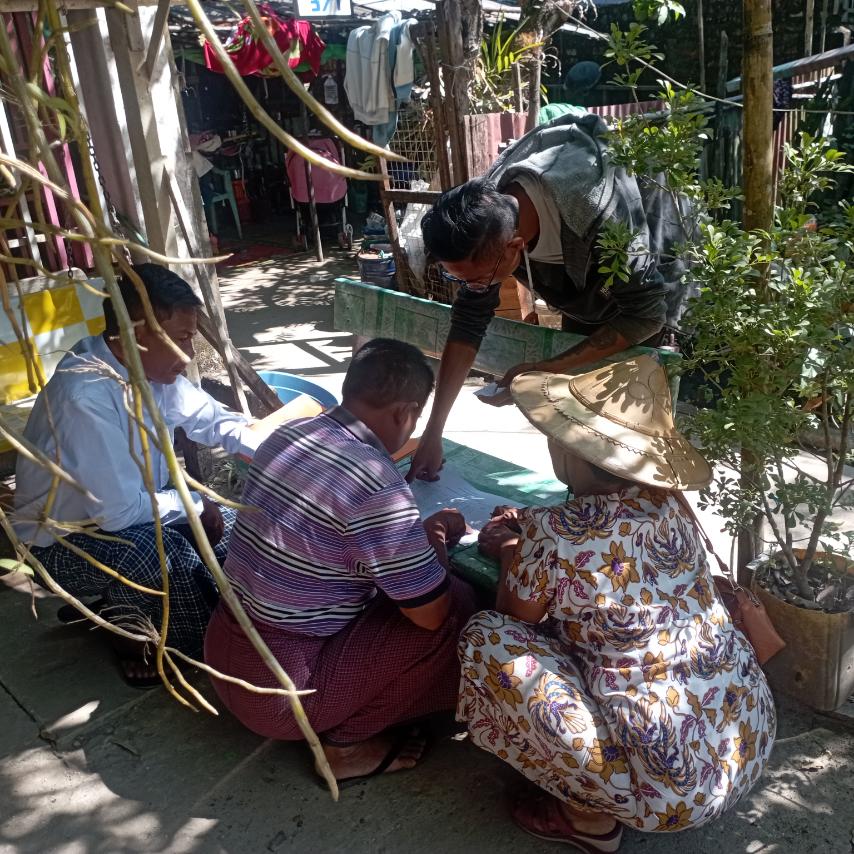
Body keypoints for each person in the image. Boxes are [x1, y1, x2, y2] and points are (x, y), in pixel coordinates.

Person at [457, 355, 776, 850]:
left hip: (670, 796)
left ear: (572, 448)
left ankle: (587, 819)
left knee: (487, 639)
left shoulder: (555, 532)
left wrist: (512, 551)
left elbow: (516, 619)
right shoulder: (671, 504)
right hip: (748, 741)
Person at [204, 338, 477, 786]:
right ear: (405, 413)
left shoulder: (287, 434)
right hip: (281, 695)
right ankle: (344, 748)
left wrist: (415, 539)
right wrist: (435, 540)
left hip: (221, 656)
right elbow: (431, 615)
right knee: (456, 607)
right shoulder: (377, 484)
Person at [14, 264, 278, 685]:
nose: (189, 355)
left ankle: (122, 607)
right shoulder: (86, 394)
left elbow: (215, 421)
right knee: (164, 558)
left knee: (241, 524)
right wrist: (194, 504)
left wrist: (286, 453)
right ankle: (134, 635)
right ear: (134, 334)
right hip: (63, 542)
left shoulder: (149, 370)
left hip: (131, 509)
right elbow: (117, 514)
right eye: (182, 339)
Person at [409, 112, 692, 482]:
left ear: (515, 247)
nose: (473, 287)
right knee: (572, 436)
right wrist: (433, 433)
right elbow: (468, 322)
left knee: (624, 447)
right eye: (458, 278)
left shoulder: (595, 215)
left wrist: (549, 367)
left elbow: (647, 313)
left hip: (652, 283)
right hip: (590, 287)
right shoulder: (486, 214)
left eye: (478, 280)